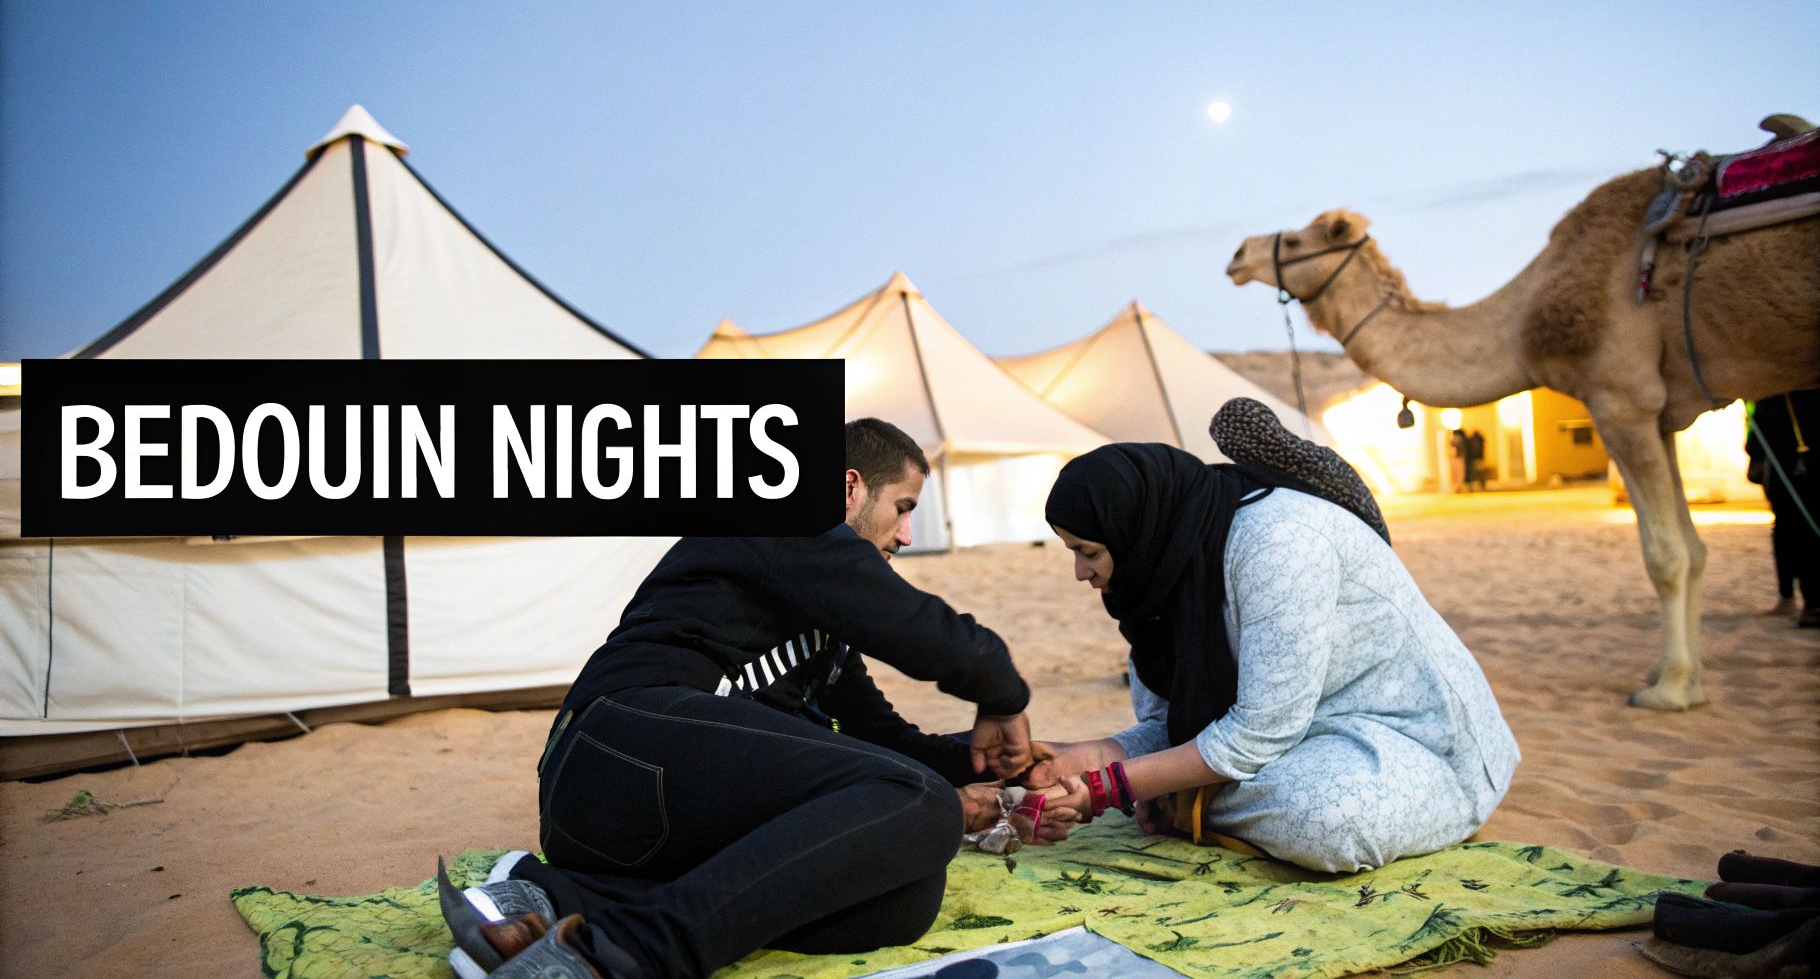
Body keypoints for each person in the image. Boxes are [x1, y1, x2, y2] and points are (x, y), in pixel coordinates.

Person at [438, 418, 1058, 979]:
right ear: (848, 489)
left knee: (902, 898)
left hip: (664, 812)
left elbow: (884, 739)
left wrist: (998, 763)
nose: (906, 533)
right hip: (616, 746)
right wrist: (1002, 698)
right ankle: (621, 956)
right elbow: (920, 631)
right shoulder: (779, 514)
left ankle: (551, 895)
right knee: (923, 803)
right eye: (901, 507)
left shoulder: (823, 627)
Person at [1028, 441, 1519, 874]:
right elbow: (1173, 727)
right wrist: (1093, 756)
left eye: (1088, 551)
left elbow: (1257, 734)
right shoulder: (1156, 582)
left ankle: (1186, 800)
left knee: (1328, 819)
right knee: (1175, 778)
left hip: (1412, 744)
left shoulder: (1277, 543)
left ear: (1135, 528)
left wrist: (1114, 787)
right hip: (1300, 742)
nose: (1080, 573)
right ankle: (1183, 795)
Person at [1747, 391, 1819, 627]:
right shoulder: (1778, 389)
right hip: (1787, 466)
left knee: (1798, 533)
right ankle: (1796, 599)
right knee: (1790, 531)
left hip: (1794, 464)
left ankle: (1809, 602)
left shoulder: (1778, 391)